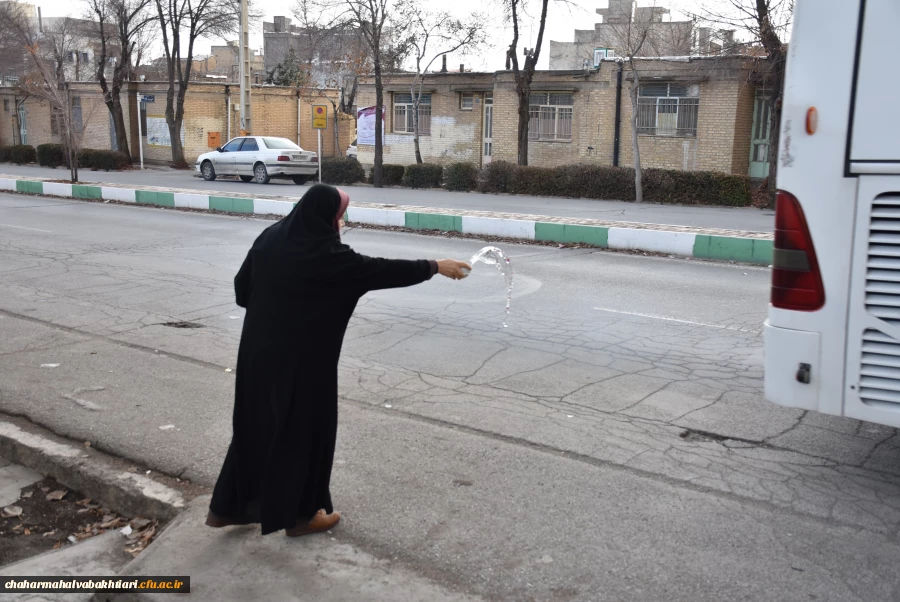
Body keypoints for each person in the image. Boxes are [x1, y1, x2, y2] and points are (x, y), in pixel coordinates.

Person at [206, 184, 471, 536]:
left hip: (256, 356)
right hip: (305, 364)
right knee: (304, 434)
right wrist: (435, 266)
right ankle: (302, 517)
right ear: (326, 216)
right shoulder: (328, 255)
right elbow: (380, 271)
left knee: (255, 427)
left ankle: (227, 509)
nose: (342, 220)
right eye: (339, 214)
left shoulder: (270, 238)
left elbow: (243, 291)